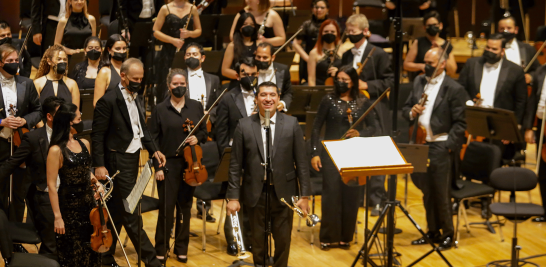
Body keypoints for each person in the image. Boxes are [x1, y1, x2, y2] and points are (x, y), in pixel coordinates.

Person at [226, 81, 311, 267]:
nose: (268, 99)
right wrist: (233, 197)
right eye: (263, 95)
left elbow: (302, 162)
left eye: (272, 95)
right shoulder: (243, 125)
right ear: (256, 99)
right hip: (256, 192)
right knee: (258, 243)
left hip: (284, 193)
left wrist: (304, 195)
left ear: (278, 98)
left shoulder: (292, 123)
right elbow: (235, 165)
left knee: (282, 241)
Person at [92, 58, 166, 267]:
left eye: (141, 79)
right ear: (122, 76)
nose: (139, 82)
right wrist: (99, 164)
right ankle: (152, 261)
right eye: (135, 79)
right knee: (130, 210)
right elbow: (97, 135)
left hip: (133, 159)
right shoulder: (108, 101)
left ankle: (105, 256)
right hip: (117, 160)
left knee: (117, 208)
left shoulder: (136, 97)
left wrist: (155, 150)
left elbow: (141, 128)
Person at [403, 47, 466, 251]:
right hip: (420, 143)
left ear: (442, 64)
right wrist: (412, 112)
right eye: (424, 62)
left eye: (430, 63)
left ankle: (448, 234)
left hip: (440, 144)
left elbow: (460, 123)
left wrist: (448, 146)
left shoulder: (453, 88)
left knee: (441, 192)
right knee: (427, 191)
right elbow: (405, 109)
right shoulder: (418, 81)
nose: (425, 66)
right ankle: (432, 231)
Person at [310, 66, 378, 250]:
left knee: (351, 195)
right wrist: (315, 152)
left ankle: (345, 237)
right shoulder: (328, 100)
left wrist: (360, 133)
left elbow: (373, 128)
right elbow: (316, 127)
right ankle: (327, 237)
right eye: (338, 78)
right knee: (331, 195)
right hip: (331, 153)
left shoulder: (363, 101)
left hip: (354, 154)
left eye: (345, 80)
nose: (340, 82)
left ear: (353, 82)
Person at [149, 69, 207, 264]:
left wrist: (197, 138)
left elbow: (205, 133)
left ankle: (181, 248)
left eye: (182, 83)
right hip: (168, 165)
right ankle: (161, 248)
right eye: (175, 84)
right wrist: (157, 166)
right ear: (169, 86)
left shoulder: (196, 107)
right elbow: (152, 140)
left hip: (190, 163)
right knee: (166, 209)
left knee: (185, 207)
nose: (179, 87)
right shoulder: (160, 109)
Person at [0, 96, 64, 257]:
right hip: (44, 196)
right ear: (49, 116)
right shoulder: (34, 138)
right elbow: (11, 164)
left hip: (66, 195)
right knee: (52, 244)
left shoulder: (69, 136)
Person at [46, 102, 103, 266]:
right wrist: (57, 217)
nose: (81, 119)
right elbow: (51, 185)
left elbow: (86, 171)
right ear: (69, 121)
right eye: (78, 117)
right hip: (69, 209)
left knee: (92, 251)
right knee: (73, 255)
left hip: (89, 206)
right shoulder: (56, 150)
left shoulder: (85, 143)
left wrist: (96, 183)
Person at [215, 57, 258, 256]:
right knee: (234, 199)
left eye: (252, 74)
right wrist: (227, 156)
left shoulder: (264, 96)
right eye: (244, 74)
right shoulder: (228, 97)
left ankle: (250, 238)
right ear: (238, 75)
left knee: (253, 198)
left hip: (258, 157)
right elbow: (221, 131)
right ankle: (233, 239)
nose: (249, 78)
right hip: (235, 157)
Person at [0, 43, 42, 221]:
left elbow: (38, 111)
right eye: (10, 60)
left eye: (16, 60)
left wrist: (25, 120)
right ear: (0, 63)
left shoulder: (27, 82)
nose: (15, 63)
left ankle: (15, 237)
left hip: (21, 144)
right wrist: (2, 121)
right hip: (1, 143)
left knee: (18, 193)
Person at [341, 14, 394, 136]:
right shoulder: (346, 55)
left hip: (373, 107)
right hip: (351, 108)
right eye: (348, 31)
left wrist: (366, 85)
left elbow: (390, 81)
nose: (350, 34)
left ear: (365, 31)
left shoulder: (379, 54)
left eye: (353, 31)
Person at [457, 33, 527, 125]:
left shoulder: (515, 70)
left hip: (501, 121)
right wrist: (469, 103)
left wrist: (515, 125)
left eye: (494, 49)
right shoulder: (471, 64)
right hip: (475, 118)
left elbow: (521, 101)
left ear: (502, 51)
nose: (489, 51)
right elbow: (460, 88)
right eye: (488, 48)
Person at [153, 0, 202, 101]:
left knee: (186, 76)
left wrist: (189, 33)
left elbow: (199, 30)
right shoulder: (165, 8)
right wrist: (172, 40)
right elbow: (155, 31)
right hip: (169, 50)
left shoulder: (192, 8)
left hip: (186, 50)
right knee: (167, 79)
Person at [403, 11, 457, 81]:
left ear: (440, 26)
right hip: (421, 80)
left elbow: (452, 70)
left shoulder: (446, 45)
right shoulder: (418, 42)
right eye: (429, 25)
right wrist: (422, 66)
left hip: (439, 81)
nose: (432, 27)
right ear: (424, 27)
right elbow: (406, 65)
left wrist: (442, 52)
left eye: (435, 25)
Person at [524, 63, 546, 222]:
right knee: (543, 172)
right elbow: (533, 101)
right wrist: (529, 127)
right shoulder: (541, 70)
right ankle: (545, 210)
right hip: (542, 126)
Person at [34, 44, 80, 109]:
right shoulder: (38, 83)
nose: (62, 62)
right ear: (49, 61)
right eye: (59, 59)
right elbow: (35, 111)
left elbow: (76, 111)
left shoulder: (72, 84)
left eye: (64, 59)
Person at [293, 0, 329, 84]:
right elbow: (295, 44)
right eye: (316, 7)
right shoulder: (306, 24)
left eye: (322, 7)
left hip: (326, 61)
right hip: (308, 60)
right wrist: (308, 59)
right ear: (312, 9)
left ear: (327, 10)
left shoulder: (330, 24)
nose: (319, 10)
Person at [497, 16, 540, 85]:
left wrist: (531, 76)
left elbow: (538, 69)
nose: (505, 31)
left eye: (509, 28)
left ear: (516, 29)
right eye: (502, 29)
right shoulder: (494, 49)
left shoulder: (528, 48)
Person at [222, 12, 258, 85]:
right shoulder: (232, 45)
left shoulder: (259, 44)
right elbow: (224, 70)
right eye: (245, 24)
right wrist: (243, 77)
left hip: (256, 82)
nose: (249, 26)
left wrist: (253, 76)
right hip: (238, 83)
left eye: (252, 25)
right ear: (240, 27)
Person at [255, 42, 293, 111]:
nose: (261, 60)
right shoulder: (250, 70)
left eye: (265, 57)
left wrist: (283, 103)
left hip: (276, 113)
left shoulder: (283, 70)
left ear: (273, 57)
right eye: (258, 57)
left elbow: (288, 92)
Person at [93, 34, 127, 106]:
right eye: (118, 49)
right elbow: (97, 103)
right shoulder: (104, 72)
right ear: (109, 49)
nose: (122, 51)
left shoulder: (129, 69)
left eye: (124, 48)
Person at [184, 42, 219, 112]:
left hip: (207, 119)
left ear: (202, 58)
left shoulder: (214, 79)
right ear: (184, 58)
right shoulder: (178, 77)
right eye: (188, 54)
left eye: (195, 54)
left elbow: (219, 104)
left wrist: (209, 115)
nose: (191, 57)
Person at [307, 19, 342, 86]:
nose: (329, 33)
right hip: (320, 91)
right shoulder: (313, 53)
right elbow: (311, 79)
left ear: (337, 33)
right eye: (326, 31)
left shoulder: (343, 51)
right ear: (321, 33)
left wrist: (338, 73)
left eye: (332, 32)